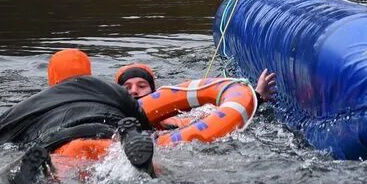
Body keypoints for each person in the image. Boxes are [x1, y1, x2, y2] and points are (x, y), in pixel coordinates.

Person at [0, 48, 155, 183]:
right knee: (136, 172)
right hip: (109, 139)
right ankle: (143, 166)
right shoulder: (115, 90)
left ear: (52, 75)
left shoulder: (24, 107)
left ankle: (35, 175)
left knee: (62, 182)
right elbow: (146, 127)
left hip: (61, 144)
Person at [116, 62, 278, 103]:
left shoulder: (173, 117)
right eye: (127, 87)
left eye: (142, 85)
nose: (134, 91)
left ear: (154, 90)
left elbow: (225, 117)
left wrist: (257, 97)